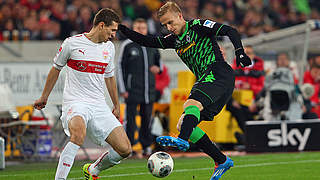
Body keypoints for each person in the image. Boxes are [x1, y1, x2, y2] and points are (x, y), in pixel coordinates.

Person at [118, 2, 252, 179]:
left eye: (170, 22)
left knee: (191, 104)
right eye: (164, 25)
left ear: (180, 16)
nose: (168, 28)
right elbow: (147, 41)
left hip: (218, 72)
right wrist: (121, 28)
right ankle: (221, 160)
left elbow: (230, 31)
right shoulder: (173, 40)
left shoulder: (198, 26)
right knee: (184, 122)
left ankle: (182, 139)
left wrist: (240, 52)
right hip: (210, 81)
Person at [34, 8, 132, 180]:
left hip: (99, 105)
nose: (113, 35)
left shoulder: (109, 48)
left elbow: (109, 78)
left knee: (125, 149)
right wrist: (44, 97)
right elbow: (56, 69)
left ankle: (94, 169)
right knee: (77, 135)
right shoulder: (72, 43)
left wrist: (116, 105)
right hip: (76, 102)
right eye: (113, 30)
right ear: (102, 25)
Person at [117, 18, 161, 157]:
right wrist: (123, 89)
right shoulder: (127, 45)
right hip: (132, 90)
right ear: (133, 29)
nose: (140, 30)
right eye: (137, 28)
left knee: (147, 119)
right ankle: (129, 147)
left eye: (143, 28)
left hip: (149, 90)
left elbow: (159, 64)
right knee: (130, 120)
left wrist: (157, 69)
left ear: (146, 29)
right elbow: (120, 67)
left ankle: (146, 146)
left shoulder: (151, 44)